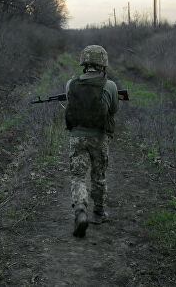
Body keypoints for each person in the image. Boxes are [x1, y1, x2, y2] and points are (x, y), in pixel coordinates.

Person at [65, 45, 119, 238]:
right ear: (103, 64)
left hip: (77, 137)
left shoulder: (70, 83)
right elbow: (113, 110)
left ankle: (80, 210)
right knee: (99, 174)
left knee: (78, 176)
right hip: (99, 137)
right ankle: (98, 212)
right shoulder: (109, 86)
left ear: (84, 63)